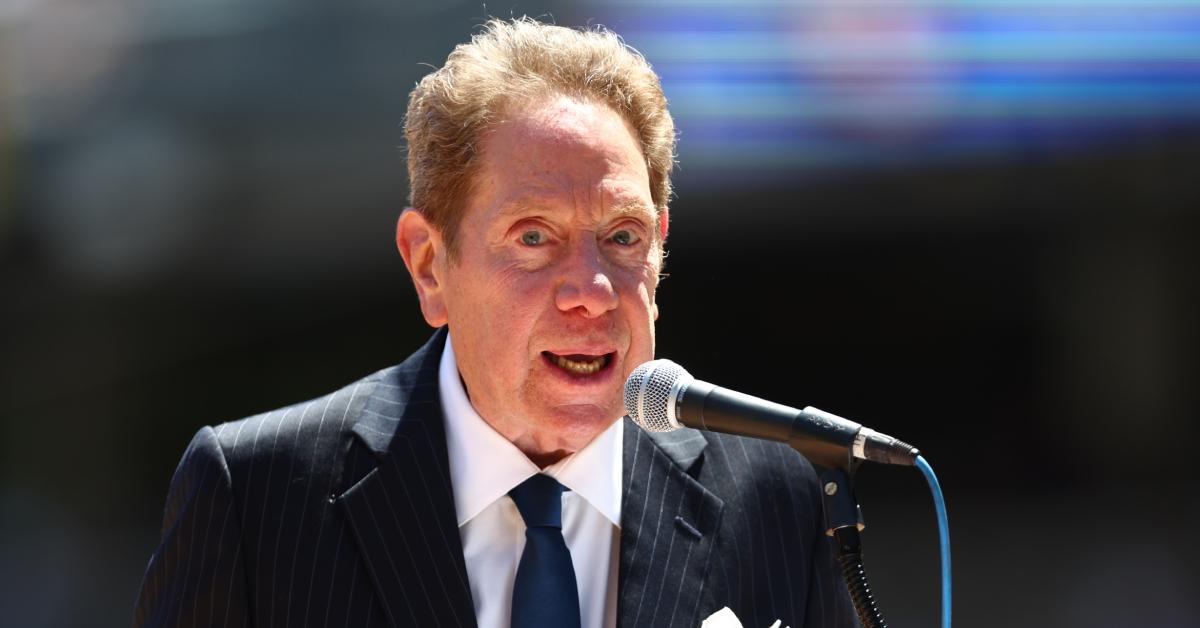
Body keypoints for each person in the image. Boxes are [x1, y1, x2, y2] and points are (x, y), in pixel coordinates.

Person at [136, 17, 858, 628]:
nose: (593, 291)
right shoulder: (255, 496)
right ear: (428, 265)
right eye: (534, 237)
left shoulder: (777, 496)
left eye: (624, 236)